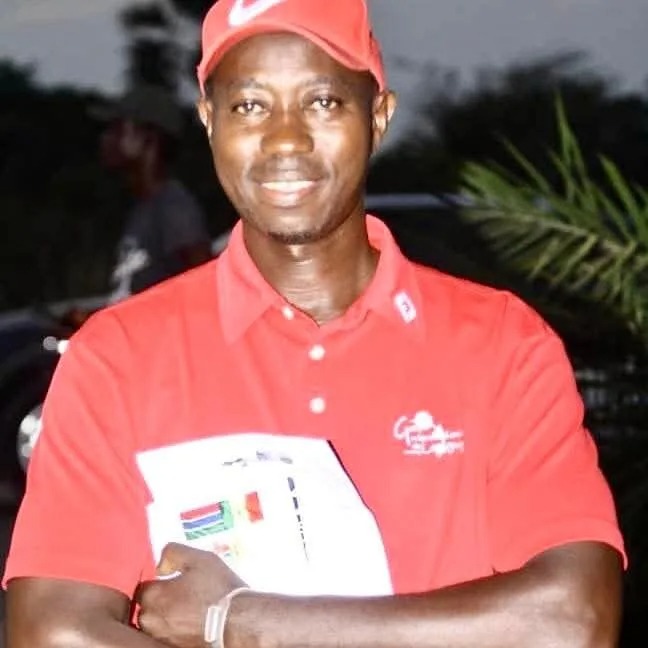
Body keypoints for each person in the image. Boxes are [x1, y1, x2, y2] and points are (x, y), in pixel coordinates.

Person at [4, 1, 625, 647]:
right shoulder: (117, 356)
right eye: (250, 105)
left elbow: (572, 622)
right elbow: (52, 629)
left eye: (323, 102)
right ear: (209, 120)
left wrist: (238, 619)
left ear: (378, 116)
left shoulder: (503, 343)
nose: (285, 139)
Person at [97, 84, 212, 302]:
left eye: (118, 129)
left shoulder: (174, 208)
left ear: (149, 139)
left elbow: (203, 292)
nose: (106, 138)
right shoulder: (145, 206)